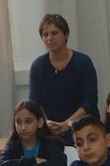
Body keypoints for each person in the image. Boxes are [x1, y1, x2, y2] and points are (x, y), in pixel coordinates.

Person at [28, 13, 98, 145]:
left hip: (82, 127)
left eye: (55, 33)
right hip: (50, 130)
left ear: (66, 35)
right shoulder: (37, 66)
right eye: (45, 34)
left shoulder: (83, 62)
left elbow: (90, 101)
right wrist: (47, 123)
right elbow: (34, 103)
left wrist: (68, 124)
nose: (50, 38)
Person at [0, 100, 67, 166]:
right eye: (18, 122)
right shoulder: (13, 144)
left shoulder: (50, 143)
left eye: (28, 122)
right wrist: (32, 161)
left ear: (40, 122)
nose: (23, 128)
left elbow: (60, 165)